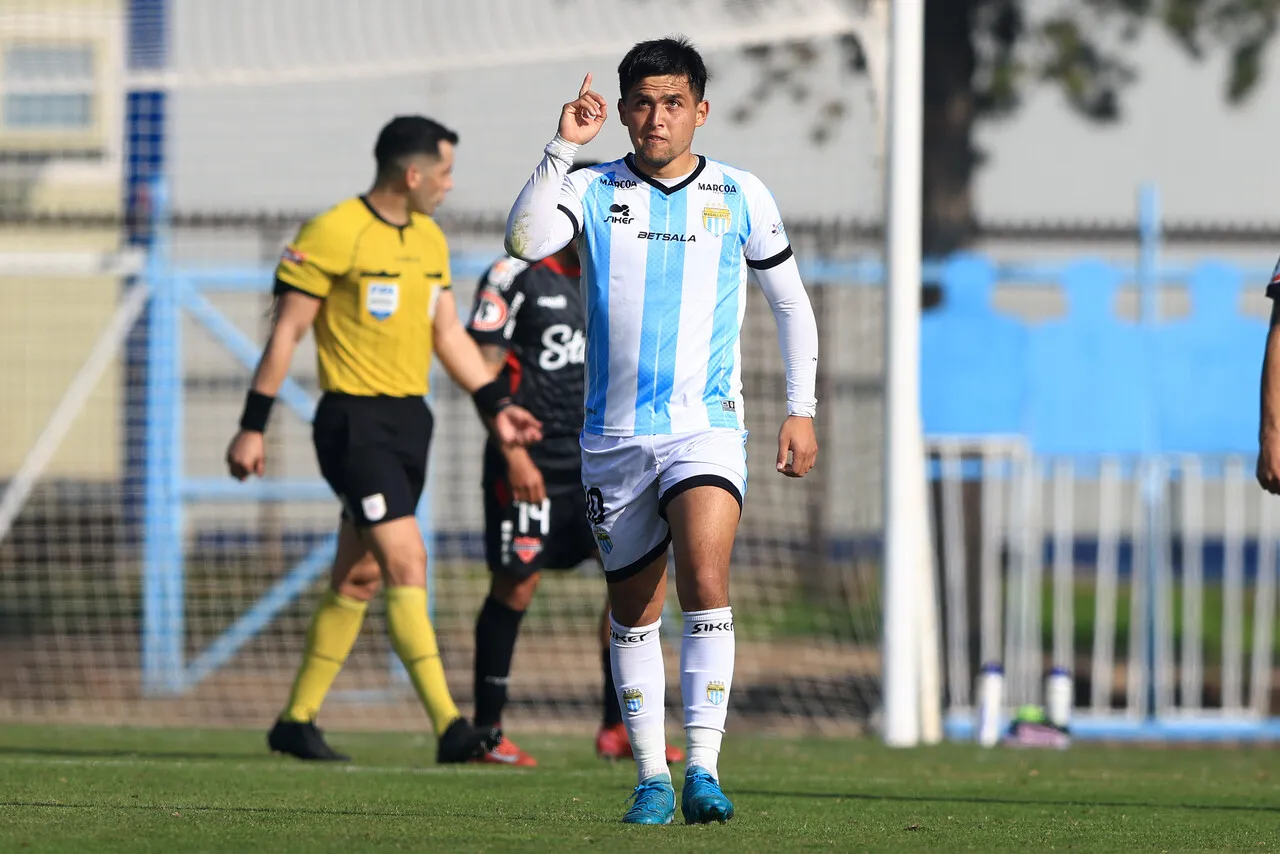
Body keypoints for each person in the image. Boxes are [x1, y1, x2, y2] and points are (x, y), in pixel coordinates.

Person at [503, 37, 819, 824]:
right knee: (633, 611)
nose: (657, 117)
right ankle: (650, 776)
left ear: (700, 111)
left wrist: (801, 407)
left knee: (705, 583)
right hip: (613, 439)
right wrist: (562, 144)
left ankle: (704, 769)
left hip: (704, 428)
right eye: (642, 103)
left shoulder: (741, 193)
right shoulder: (591, 185)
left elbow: (791, 305)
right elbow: (524, 240)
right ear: (623, 109)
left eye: (673, 102)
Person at [225, 115, 541, 765]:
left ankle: (296, 720)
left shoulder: (428, 238)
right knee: (407, 561)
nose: (451, 186)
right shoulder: (332, 232)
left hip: (410, 425)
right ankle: (451, 726)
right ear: (413, 173)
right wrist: (252, 425)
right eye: (446, 172)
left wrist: (497, 406)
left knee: (361, 574)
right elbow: (285, 334)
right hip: (354, 425)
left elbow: (449, 335)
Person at [464, 169, 684, 765]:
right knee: (517, 583)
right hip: (529, 462)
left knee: (631, 590)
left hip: (604, 458)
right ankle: (487, 730)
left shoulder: (624, 271)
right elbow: (481, 367)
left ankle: (620, 727)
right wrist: (512, 453)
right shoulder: (514, 274)